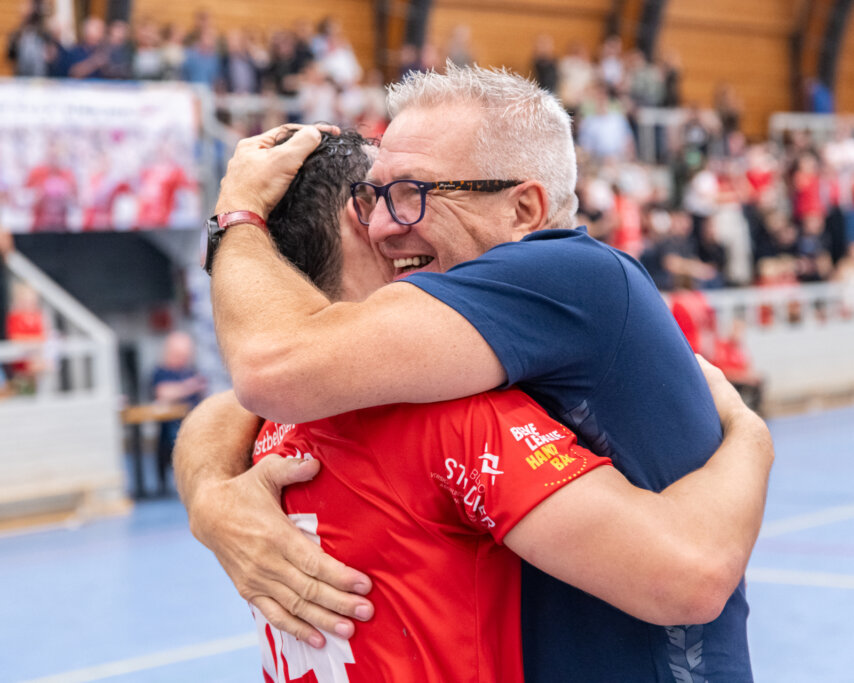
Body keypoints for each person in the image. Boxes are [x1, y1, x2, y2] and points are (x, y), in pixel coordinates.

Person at [181, 66, 771, 681]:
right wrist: (212, 497)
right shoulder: (466, 345)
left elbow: (272, 367)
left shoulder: (573, 275)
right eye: (373, 196)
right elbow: (238, 402)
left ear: (524, 208)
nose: (382, 224)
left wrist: (238, 218)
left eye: (413, 192)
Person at [151, 331, 205, 495]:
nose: (182, 359)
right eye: (179, 355)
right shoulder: (160, 372)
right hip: (170, 429)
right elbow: (162, 392)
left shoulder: (189, 371)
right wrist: (187, 388)